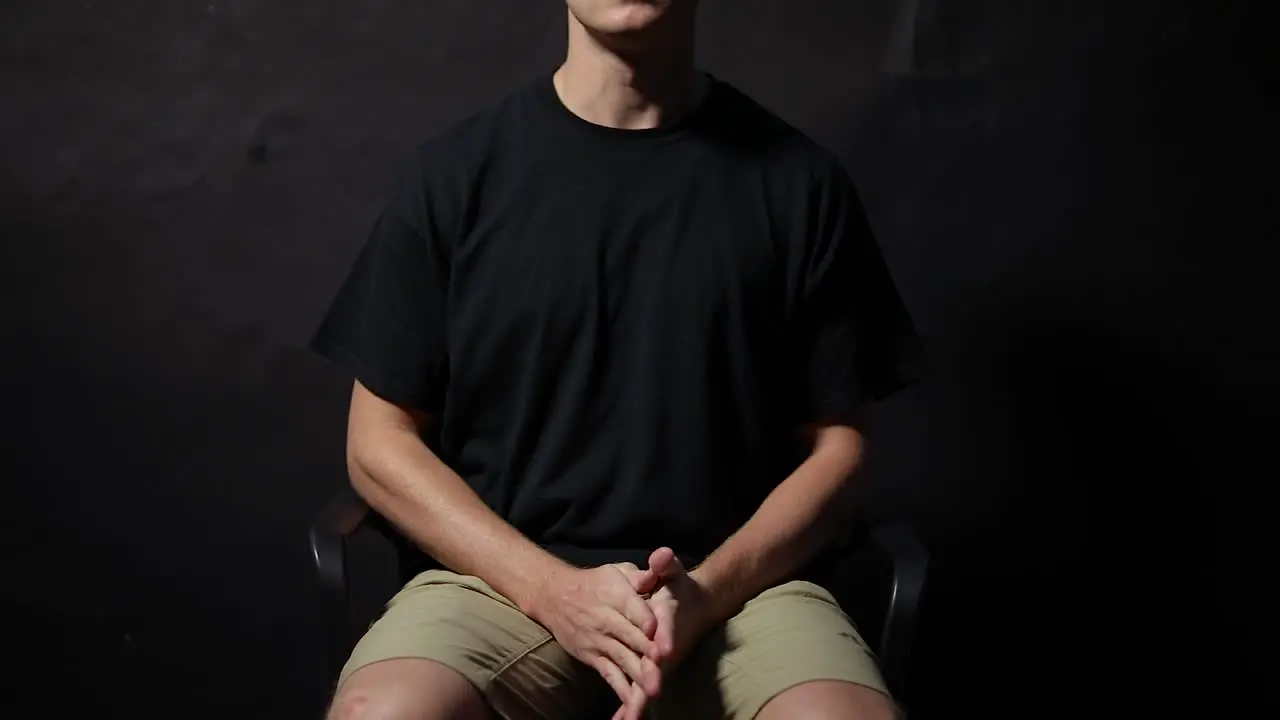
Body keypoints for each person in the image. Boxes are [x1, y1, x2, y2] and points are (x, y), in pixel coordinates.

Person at [312, 1, 926, 718]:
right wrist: (549, 588)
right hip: (502, 584)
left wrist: (705, 593)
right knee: (382, 713)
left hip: (739, 593)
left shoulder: (799, 183)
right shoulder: (454, 177)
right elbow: (376, 444)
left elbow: (842, 450)